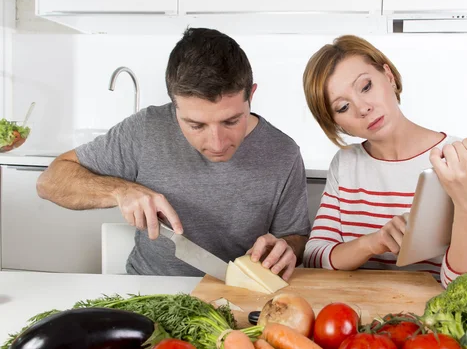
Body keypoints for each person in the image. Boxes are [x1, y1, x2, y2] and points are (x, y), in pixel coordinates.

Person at [37, 28, 310, 279]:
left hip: (238, 294)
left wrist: (286, 248)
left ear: (251, 94)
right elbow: (50, 181)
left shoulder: (283, 153)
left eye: (231, 121)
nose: (216, 143)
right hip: (151, 290)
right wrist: (119, 191)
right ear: (174, 105)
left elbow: (295, 237)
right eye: (196, 125)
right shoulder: (145, 130)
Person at [302, 35, 467, 287]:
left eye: (365, 87)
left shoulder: (457, 159)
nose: (362, 108)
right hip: (357, 315)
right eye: (342, 107)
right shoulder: (346, 163)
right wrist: (374, 242)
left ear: (389, 76)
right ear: (335, 123)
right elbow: (315, 257)